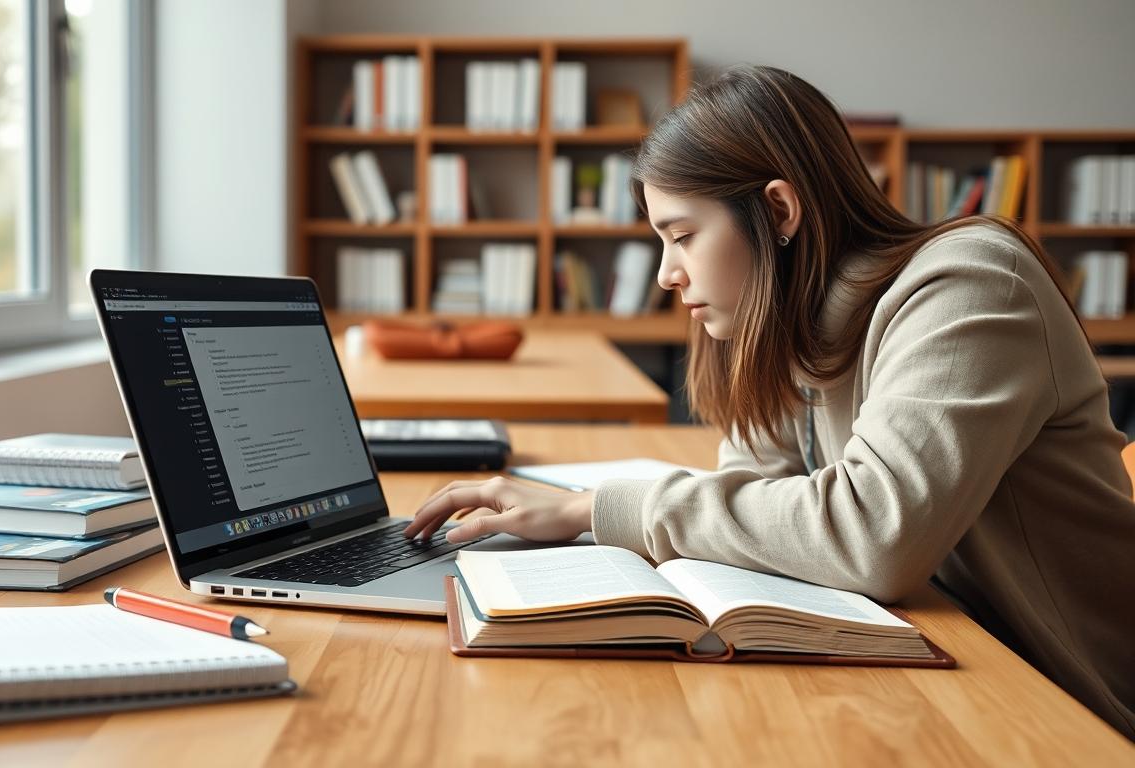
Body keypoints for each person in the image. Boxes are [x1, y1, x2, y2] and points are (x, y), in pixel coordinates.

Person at [403, 65, 1135, 739]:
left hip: (1073, 702)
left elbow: (871, 536)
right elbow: (751, 493)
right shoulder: (799, 319)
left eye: (683, 236)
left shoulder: (971, 286)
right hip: (954, 665)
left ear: (779, 211)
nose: (666, 274)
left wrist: (600, 510)